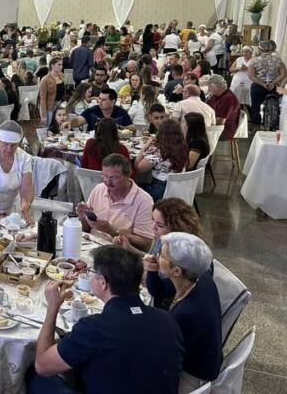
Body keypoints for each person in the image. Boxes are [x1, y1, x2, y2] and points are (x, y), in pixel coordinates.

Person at [30, 245, 183, 394]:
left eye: (91, 272)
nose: (89, 276)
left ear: (102, 282)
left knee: (34, 376)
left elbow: (42, 366)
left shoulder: (95, 328)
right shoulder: (167, 319)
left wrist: (52, 307)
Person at [156, 233, 223, 390]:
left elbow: (168, 360)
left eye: (162, 255)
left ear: (177, 271)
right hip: (204, 357)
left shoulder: (186, 313)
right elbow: (160, 290)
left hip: (192, 377)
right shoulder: (201, 277)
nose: (156, 256)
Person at [76, 153, 154, 250]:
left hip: (120, 253)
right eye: (104, 175)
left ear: (129, 175)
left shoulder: (143, 200)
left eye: (114, 177)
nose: (107, 182)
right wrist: (82, 218)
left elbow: (145, 244)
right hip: (90, 246)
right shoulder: (99, 189)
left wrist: (112, 232)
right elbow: (86, 229)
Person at [135, 119, 188, 201]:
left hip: (159, 190)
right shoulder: (183, 147)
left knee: (136, 186)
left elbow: (138, 167)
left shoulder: (159, 151)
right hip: (178, 189)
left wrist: (145, 147)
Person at [248, 39, 286, 125]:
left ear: (260, 49)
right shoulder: (278, 60)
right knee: (274, 105)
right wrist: (273, 83)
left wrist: (263, 84)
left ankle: (256, 125)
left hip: (258, 86)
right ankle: (272, 123)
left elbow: (251, 76)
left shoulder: (255, 60)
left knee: (256, 105)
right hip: (273, 86)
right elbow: (283, 74)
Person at [65, 88, 133, 132]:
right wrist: (70, 123)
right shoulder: (92, 110)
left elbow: (133, 129)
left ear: (113, 101)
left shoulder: (121, 112)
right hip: (94, 141)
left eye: (103, 100)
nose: (100, 101)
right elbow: (79, 120)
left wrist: (120, 127)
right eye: (99, 98)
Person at [206, 74, 241, 140]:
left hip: (225, 130)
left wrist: (204, 121)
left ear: (216, 86)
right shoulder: (216, 95)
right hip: (217, 127)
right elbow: (205, 107)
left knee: (196, 134)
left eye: (209, 86)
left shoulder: (228, 98)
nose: (208, 89)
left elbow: (220, 122)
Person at [39, 57, 66, 126]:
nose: (61, 67)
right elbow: (42, 98)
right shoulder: (45, 79)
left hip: (60, 105)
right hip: (49, 107)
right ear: (52, 66)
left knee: (59, 126)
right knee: (49, 127)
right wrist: (44, 116)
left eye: (61, 65)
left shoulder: (62, 76)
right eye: (59, 65)